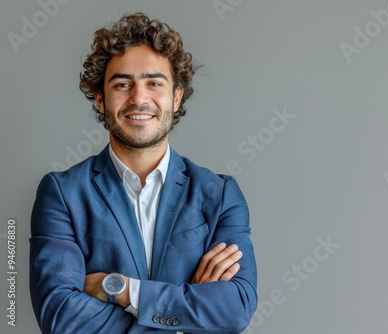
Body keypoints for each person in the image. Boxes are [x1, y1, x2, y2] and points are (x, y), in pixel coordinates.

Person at [29, 12, 257, 334]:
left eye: (154, 83)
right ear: (99, 99)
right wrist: (185, 319)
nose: (138, 98)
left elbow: (234, 309)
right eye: (122, 84)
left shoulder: (220, 195)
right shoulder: (63, 194)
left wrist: (120, 288)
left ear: (176, 98)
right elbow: (60, 317)